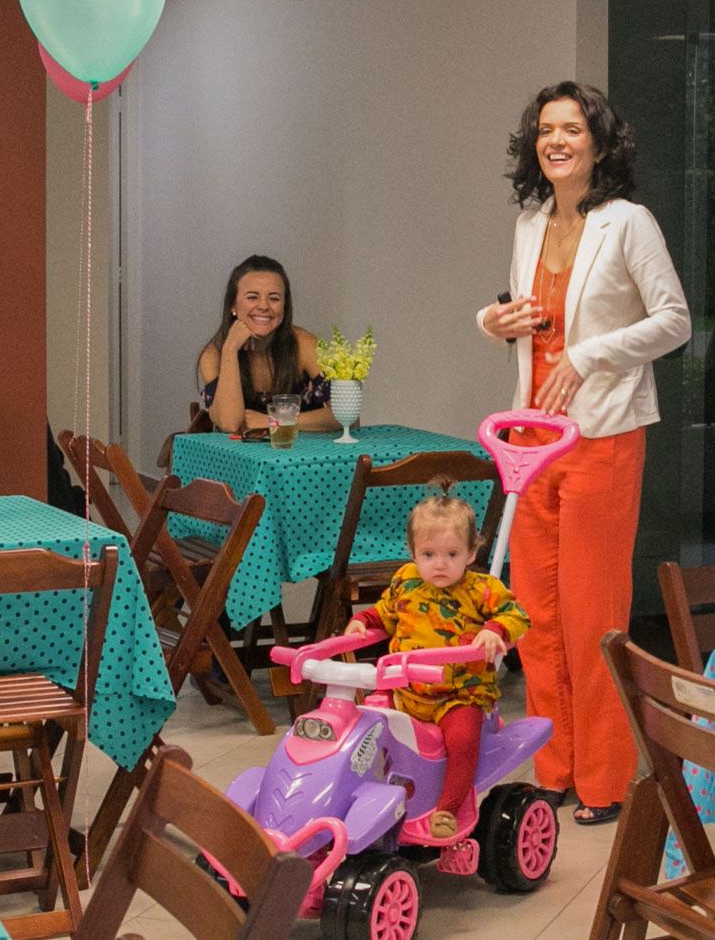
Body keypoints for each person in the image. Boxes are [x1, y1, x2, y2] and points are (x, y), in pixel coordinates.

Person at [476, 81, 690, 826]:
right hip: (532, 435)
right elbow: (520, 314)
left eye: (571, 128)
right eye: (545, 129)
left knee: (590, 613)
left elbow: (674, 320)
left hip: (602, 438)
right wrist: (493, 319)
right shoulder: (531, 222)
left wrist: (593, 354)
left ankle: (602, 777)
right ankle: (553, 767)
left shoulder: (629, 223)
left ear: (599, 142)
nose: (556, 140)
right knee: (534, 615)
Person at [343, 483, 528, 839]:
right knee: (365, 728)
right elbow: (385, 613)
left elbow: (516, 615)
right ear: (412, 553)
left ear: (472, 553)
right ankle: (366, 798)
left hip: (459, 694)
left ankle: (448, 808)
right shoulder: (406, 582)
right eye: (428, 554)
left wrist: (494, 631)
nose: (439, 564)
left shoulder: (482, 589)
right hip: (405, 689)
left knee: (462, 740)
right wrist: (362, 622)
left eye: (452, 554)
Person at [197, 254, 336, 434]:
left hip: (302, 456)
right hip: (240, 460)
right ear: (233, 305)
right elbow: (229, 423)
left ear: (285, 307)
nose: (263, 306)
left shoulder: (305, 344)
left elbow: (347, 417)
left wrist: (274, 420)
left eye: (274, 298)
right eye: (252, 297)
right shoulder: (213, 355)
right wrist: (230, 348)